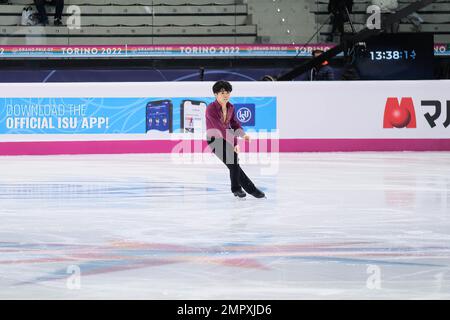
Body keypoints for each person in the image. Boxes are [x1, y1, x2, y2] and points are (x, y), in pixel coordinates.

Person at [205, 81, 265, 199]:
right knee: (233, 163)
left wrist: (243, 135)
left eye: (227, 92)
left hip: (227, 138)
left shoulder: (231, 107)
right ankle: (241, 189)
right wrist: (234, 144)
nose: (225, 95)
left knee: (234, 164)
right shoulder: (211, 109)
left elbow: (234, 124)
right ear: (216, 94)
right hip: (214, 140)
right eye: (222, 92)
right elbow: (220, 129)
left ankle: (248, 189)